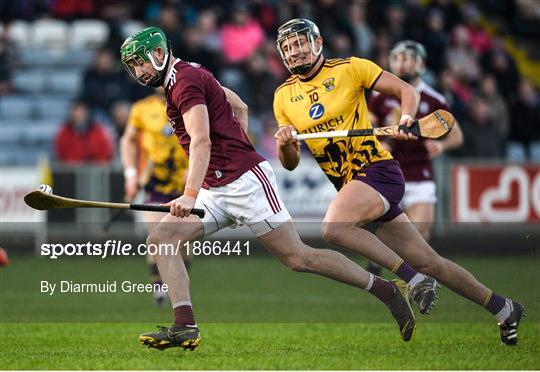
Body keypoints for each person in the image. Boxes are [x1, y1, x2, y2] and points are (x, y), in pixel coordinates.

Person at [120, 26, 418, 351]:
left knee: (299, 258)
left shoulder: (185, 82)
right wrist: (234, 142)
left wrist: (190, 194)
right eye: (132, 66)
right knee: (162, 239)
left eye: (140, 63)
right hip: (216, 187)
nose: (138, 72)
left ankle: (386, 290)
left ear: (159, 54)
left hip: (245, 184)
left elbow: (202, 139)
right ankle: (184, 325)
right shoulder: (184, 76)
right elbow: (239, 105)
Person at [273, 18, 524, 346]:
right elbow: (290, 165)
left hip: (377, 170)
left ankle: (410, 279)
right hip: (351, 184)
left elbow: (407, 91)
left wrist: (407, 117)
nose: (295, 51)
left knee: (333, 227)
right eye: (288, 47)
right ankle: (503, 307)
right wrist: (284, 144)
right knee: (431, 261)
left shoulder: (351, 68)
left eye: (300, 42)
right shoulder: (283, 96)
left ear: (317, 42)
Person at [368, 40, 463, 243]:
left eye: (407, 59)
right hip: (387, 172)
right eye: (397, 58)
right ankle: (375, 270)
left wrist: (441, 145)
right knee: (383, 235)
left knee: (420, 235)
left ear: (420, 64)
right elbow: (368, 128)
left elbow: (457, 135)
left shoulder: (434, 100)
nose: (401, 64)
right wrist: (380, 142)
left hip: (419, 173)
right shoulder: (379, 96)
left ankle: (415, 276)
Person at [120, 88, 190, 305]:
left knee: (183, 244)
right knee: (157, 237)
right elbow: (127, 141)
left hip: (188, 184)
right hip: (155, 183)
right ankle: (159, 288)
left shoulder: (192, 101)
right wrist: (131, 175)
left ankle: (179, 287)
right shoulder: (142, 108)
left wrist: (201, 168)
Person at [54, 100, 114, 164]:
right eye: (76, 112)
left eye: (81, 112)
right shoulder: (64, 133)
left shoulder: (98, 131)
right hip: (70, 170)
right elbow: (61, 155)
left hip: (95, 170)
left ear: (87, 113)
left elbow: (104, 154)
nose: (78, 115)